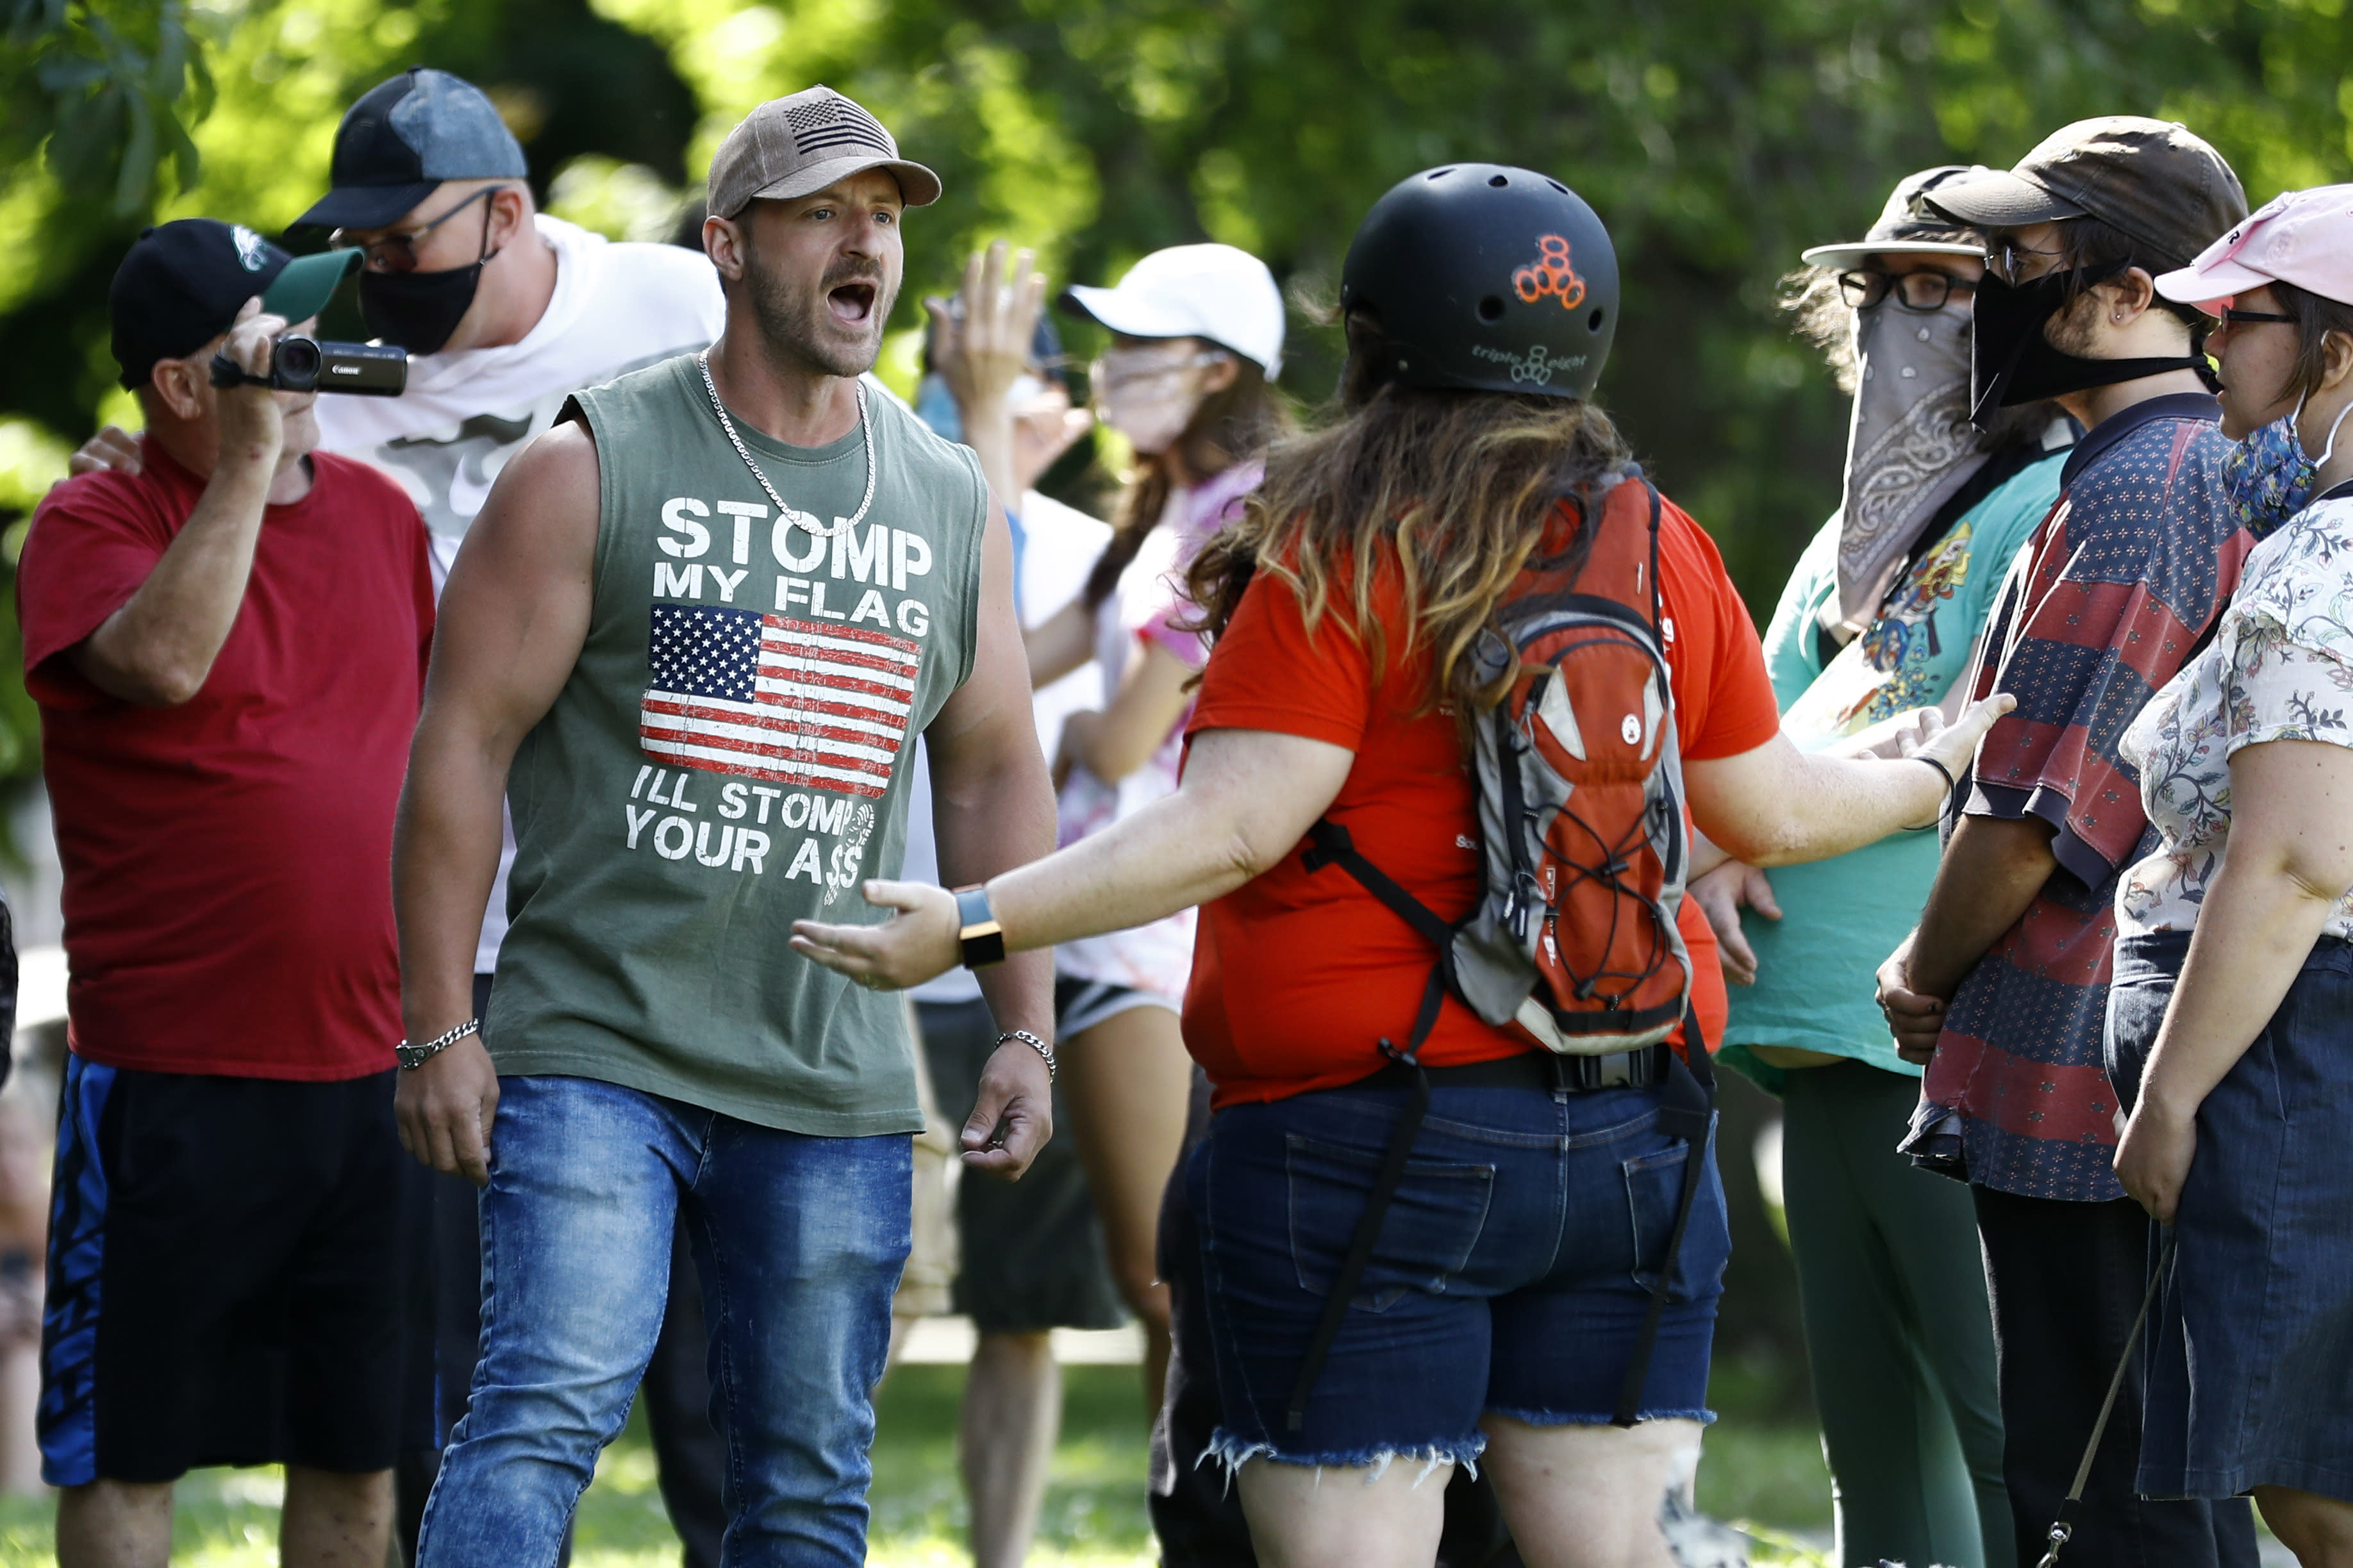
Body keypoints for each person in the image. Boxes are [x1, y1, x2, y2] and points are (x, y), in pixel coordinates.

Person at [794, 163, 2011, 1568]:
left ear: (1372, 336)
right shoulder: (1655, 542)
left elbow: (1235, 825)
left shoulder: (1338, 540)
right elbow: (1772, 810)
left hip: (1356, 1139)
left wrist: (972, 923)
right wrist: (1934, 766)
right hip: (1627, 1134)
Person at [67, 67, 737, 1565]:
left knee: (719, 1380)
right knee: (457, 1381)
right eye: (352, 245)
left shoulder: (679, 308)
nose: (374, 276)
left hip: (677, 908)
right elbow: (214, 503)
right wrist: (155, 446)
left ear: (509, 214)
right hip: (456, 947)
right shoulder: (326, 369)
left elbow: (811, 490)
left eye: (406, 242)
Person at [391, 85, 1058, 1568]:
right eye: (822, 210)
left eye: (882, 216)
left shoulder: (948, 497)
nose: (865, 243)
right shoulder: (593, 463)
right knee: (538, 1418)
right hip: (595, 1053)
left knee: (809, 1483)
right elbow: (461, 750)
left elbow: (995, 771)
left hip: (833, 1077)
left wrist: (1023, 1024)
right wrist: (442, 1028)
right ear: (727, 247)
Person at [1871, 117, 2263, 1567]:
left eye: (2023, 261)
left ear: (2128, 289)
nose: (1990, 298)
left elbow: (2035, 817)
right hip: (2063, 1089)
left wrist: (1920, 969)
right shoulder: (2112, 475)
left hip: (2095, 1101)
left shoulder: (2153, 491)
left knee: (2125, 1522)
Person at [21, 221, 434, 1568]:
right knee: (131, 1458)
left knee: (359, 1463)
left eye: (302, 325)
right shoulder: (90, 519)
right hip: (168, 1083)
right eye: (259, 345)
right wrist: (249, 463)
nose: (298, 362)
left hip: (365, 1078)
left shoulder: (385, 519)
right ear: (181, 387)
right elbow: (167, 663)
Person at [1692, 166, 2070, 1568]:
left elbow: (2009, 758)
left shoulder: (2055, 501)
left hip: (1943, 1041)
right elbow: (1774, 741)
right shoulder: (1856, 530)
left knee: (2010, 1443)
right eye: (1885, 291)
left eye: (1951, 291)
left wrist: (1766, 828)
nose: (1906, 324)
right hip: (1816, 1052)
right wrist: (1731, 839)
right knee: (1880, 1466)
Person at [2100, 186, 2353, 1564]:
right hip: (2308, 1046)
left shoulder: (2325, 566)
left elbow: (2300, 863)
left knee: (2318, 1488)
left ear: (2340, 349)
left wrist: (2171, 1097)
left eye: (2236, 324)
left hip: (2293, 1059)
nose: (2208, 360)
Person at [1010, 240, 1289, 1422]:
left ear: (1222, 370)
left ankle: (1226, 1517)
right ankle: (1198, 1518)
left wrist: (1068, 741)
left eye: (1142, 345)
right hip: (1108, 909)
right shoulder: (1163, 510)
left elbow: (1120, 742)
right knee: (1167, 1276)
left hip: (1156, 924)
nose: (1113, 367)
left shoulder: (1238, 511)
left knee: (1161, 1275)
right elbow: (1002, 665)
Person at [902, 244, 1124, 1568]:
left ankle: (1000, 1553)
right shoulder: (888, 507)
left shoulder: (1106, 560)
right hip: (885, 970)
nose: (962, 388)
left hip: (1032, 978)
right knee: (860, 1292)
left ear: (1066, 409)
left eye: (992, 377)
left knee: (1023, 1306)